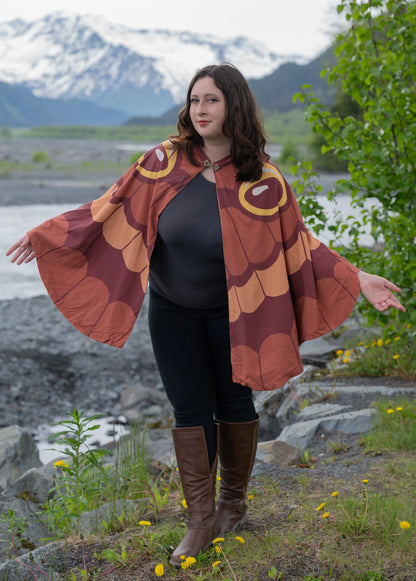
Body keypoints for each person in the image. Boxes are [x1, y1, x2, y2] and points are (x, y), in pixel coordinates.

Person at [7, 63, 405, 566]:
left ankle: (232, 506)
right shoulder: (161, 162)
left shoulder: (263, 179)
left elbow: (300, 243)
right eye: (195, 100)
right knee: (188, 409)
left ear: (232, 105)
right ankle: (199, 521)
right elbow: (109, 207)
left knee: (235, 406)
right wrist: (48, 234)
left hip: (236, 314)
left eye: (212, 100)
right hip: (171, 309)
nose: (201, 109)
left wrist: (356, 277)